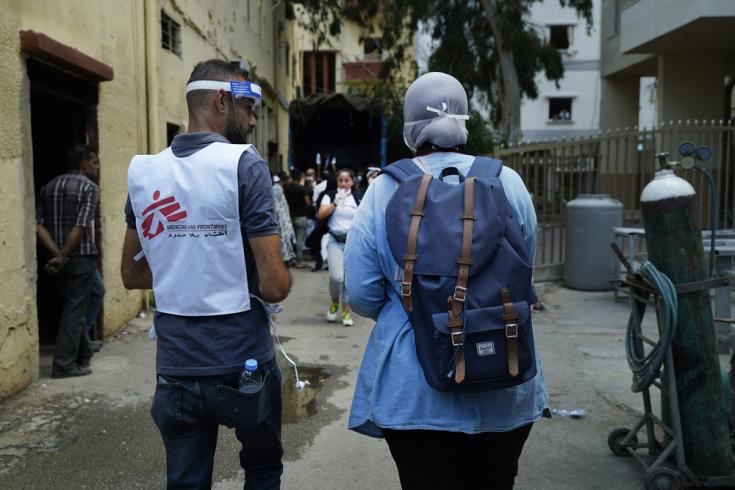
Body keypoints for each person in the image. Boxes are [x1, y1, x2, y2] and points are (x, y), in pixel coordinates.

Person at [344, 72, 549, 489]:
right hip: (505, 372)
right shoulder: (507, 181)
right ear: (465, 123)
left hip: (415, 390)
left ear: (410, 130)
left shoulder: (383, 190)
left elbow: (362, 293)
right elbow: (525, 267)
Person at [121, 59, 292, 489]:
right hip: (242, 363)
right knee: (263, 467)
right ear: (220, 100)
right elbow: (274, 285)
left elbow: (133, 273)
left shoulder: (144, 172)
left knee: (186, 482)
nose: (253, 120)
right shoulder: (243, 164)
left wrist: (185, 262)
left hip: (176, 367)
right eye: (248, 108)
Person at [37, 144, 100, 379]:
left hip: (56, 259)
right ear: (83, 163)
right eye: (93, 162)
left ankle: (84, 355)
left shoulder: (48, 187)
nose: (96, 166)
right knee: (75, 311)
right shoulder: (89, 188)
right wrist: (65, 254)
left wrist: (57, 254)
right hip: (80, 256)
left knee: (73, 306)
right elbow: (82, 226)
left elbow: (39, 224)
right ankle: (63, 364)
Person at [317, 169, 361, 327]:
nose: (343, 183)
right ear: (337, 182)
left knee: (348, 280)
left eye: (347, 180)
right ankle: (335, 301)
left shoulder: (358, 197)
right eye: (341, 180)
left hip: (352, 242)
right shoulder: (329, 195)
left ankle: (346, 310)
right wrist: (336, 202)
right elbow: (320, 215)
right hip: (334, 240)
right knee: (337, 277)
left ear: (352, 182)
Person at [283, 169, 311, 268]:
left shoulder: (286, 189)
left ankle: (291, 259)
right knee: (300, 240)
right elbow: (308, 203)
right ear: (300, 178)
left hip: (290, 218)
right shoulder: (301, 188)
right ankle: (299, 261)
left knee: (291, 240)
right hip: (301, 217)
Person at [272, 174, 297, 264]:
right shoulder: (277, 189)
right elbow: (279, 208)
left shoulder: (276, 188)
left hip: (282, 220)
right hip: (280, 220)